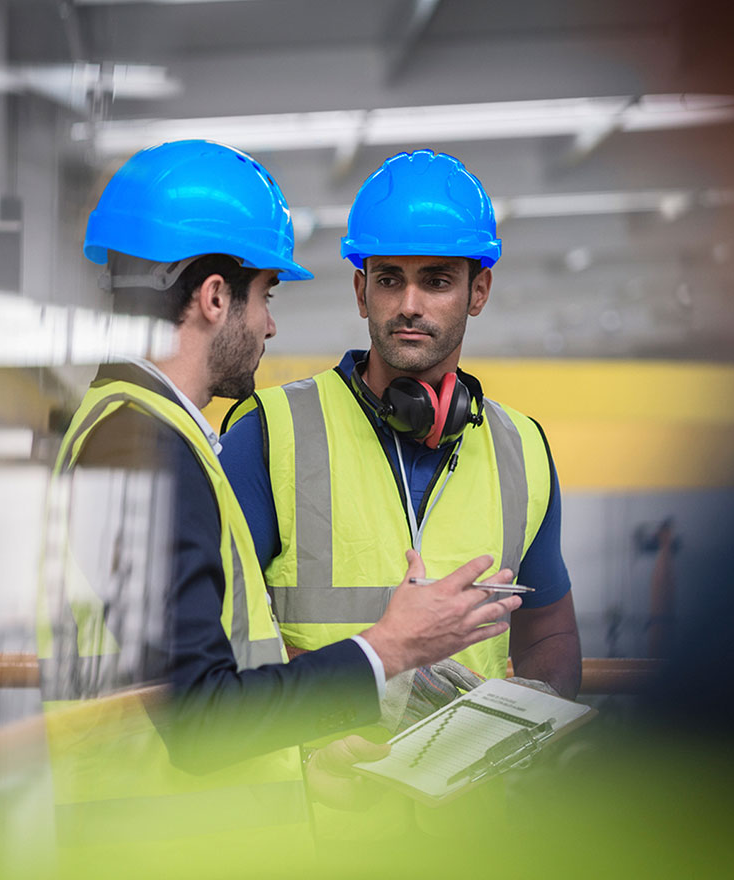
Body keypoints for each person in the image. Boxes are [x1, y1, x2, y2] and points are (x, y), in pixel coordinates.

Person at [36, 140, 522, 870]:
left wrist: (304, 766)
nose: (269, 326)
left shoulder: (135, 431)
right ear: (213, 298)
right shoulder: (145, 448)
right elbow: (200, 719)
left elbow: (176, 689)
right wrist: (389, 648)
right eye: (266, 297)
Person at [220, 149, 581, 717]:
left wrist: (539, 731)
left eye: (436, 281)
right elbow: (224, 632)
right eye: (390, 279)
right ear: (363, 291)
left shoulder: (523, 449)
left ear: (478, 291)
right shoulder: (267, 433)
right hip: (328, 792)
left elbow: (548, 632)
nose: (409, 305)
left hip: (467, 797)